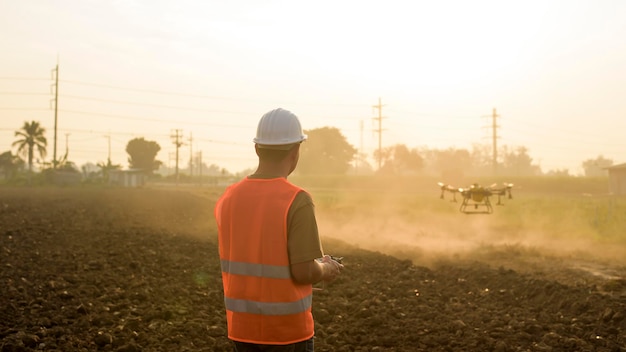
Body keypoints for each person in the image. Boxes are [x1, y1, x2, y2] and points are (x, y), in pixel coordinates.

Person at [214, 108, 344, 352]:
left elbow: (255, 258)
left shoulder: (228, 198)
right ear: (296, 151)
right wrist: (326, 268)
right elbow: (304, 271)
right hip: (287, 334)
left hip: (242, 332)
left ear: (257, 149)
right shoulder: (297, 200)